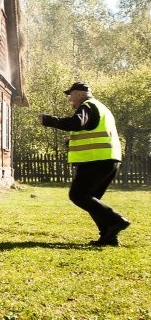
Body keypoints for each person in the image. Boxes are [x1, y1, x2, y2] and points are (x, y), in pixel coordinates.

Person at [38, 81, 130, 246]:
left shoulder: (87, 106)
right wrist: (71, 142)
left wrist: (48, 120)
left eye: (71, 95)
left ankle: (116, 220)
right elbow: (90, 130)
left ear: (79, 93)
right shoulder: (101, 108)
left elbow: (76, 123)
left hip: (96, 160)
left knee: (78, 195)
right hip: (110, 159)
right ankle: (109, 236)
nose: (70, 100)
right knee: (92, 201)